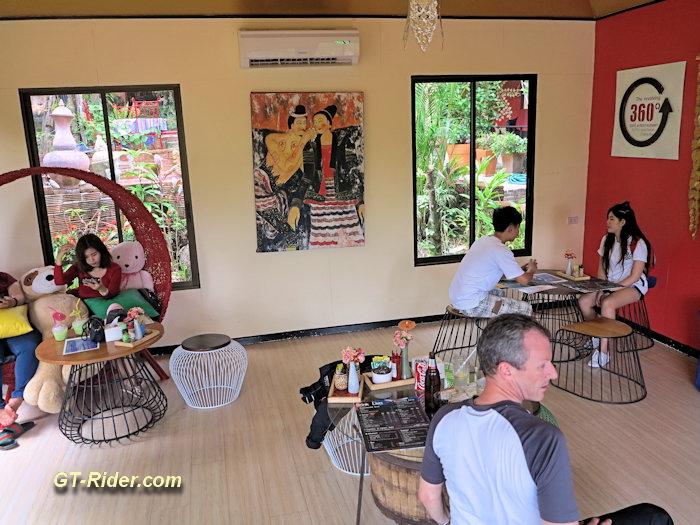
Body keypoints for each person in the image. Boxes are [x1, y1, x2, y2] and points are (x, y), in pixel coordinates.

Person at [418, 314, 674, 525]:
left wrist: (447, 522)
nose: (553, 373)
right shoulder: (542, 437)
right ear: (506, 370)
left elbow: (428, 496)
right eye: (543, 365)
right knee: (654, 517)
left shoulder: (444, 418)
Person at [578, 202, 653, 367]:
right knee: (584, 301)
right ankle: (596, 334)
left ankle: (603, 352)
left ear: (623, 222)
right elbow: (601, 268)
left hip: (632, 286)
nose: (607, 222)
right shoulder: (606, 239)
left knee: (608, 303)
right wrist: (602, 288)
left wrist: (609, 291)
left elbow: (634, 277)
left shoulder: (637, 243)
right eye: (608, 218)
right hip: (609, 285)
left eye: (611, 219)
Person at [290, 104, 365, 248]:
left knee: (352, 240)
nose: (317, 124)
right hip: (320, 198)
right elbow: (307, 175)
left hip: (344, 196)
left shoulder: (344, 141)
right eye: (315, 121)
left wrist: (361, 202)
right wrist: (296, 204)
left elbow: (353, 170)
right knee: (322, 242)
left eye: (321, 120)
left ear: (330, 123)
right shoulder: (310, 146)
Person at [448, 206, 535, 318]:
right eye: (518, 228)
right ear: (510, 228)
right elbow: (524, 280)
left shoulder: (482, 241)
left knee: (501, 293)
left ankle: (500, 327)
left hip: (458, 297)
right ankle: (506, 326)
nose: (518, 232)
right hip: (472, 303)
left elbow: (492, 272)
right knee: (526, 309)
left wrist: (518, 271)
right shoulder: (500, 249)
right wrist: (532, 270)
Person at [254, 104, 316, 251]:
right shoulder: (273, 138)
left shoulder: (306, 148)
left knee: (289, 234)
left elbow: (308, 175)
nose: (302, 126)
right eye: (299, 123)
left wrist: (297, 203)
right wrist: (304, 141)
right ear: (291, 125)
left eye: (304, 123)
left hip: (277, 193)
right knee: (281, 234)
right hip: (260, 184)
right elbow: (286, 166)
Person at [0, 271, 40, 429]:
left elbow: (20, 297)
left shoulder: (4, 277)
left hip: (14, 326)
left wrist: (12, 302)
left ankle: (17, 398)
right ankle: (1, 410)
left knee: (30, 345)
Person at [54, 233, 122, 300]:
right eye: (86, 257)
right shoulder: (78, 267)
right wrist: (59, 258)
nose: (91, 260)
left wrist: (101, 289)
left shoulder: (115, 269)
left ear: (102, 251)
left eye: (94, 254)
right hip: (82, 305)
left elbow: (113, 295)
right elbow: (60, 282)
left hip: (104, 305)